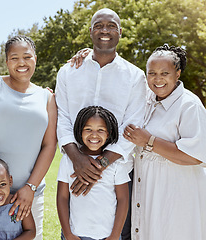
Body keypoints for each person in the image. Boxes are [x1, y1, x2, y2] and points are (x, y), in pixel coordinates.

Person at [55, 8, 146, 239]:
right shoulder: (68, 72)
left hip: (118, 175)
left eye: (111, 25)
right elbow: (62, 117)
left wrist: (99, 165)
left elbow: (133, 127)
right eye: (99, 25)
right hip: (75, 173)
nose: (105, 30)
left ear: (120, 32)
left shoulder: (135, 77)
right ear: (90, 31)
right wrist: (78, 160)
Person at [0, 35, 57, 240]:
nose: (21, 62)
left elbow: (49, 145)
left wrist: (30, 188)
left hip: (27, 197)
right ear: (6, 62)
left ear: (35, 59)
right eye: (14, 58)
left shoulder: (47, 98)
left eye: (27, 57)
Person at [123, 44, 206, 240]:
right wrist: (88, 54)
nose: (157, 79)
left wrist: (149, 141)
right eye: (152, 73)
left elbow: (196, 155)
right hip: (148, 193)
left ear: (177, 74)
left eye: (164, 73)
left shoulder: (189, 105)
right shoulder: (146, 100)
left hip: (178, 194)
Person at [57, 106, 130, 240]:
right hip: (76, 235)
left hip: (108, 236)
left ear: (109, 133)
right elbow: (62, 198)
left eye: (101, 130)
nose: (94, 135)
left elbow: (123, 199)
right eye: (88, 129)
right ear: (79, 132)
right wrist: (68, 234)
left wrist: (115, 235)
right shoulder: (68, 161)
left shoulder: (117, 163)